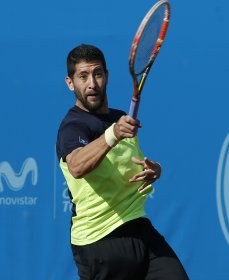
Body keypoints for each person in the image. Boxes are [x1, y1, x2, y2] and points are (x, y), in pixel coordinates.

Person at [56, 44, 189, 280]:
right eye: (83, 76)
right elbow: (76, 166)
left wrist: (152, 170)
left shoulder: (120, 118)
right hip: (99, 241)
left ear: (106, 76)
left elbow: (125, 166)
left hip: (138, 227)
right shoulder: (73, 126)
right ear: (70, 83)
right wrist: (113, 134)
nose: (92, 84)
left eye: (97, 74)